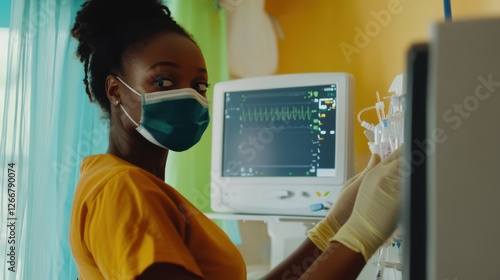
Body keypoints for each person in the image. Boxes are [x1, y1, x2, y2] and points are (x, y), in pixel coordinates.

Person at [68, 0, 404, 279]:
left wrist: (331, 228)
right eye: (165, 82)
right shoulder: (122, 190)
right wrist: (360, 236)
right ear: (115, 91)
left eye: (199, 86)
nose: (189, 97)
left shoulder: (125, 182)